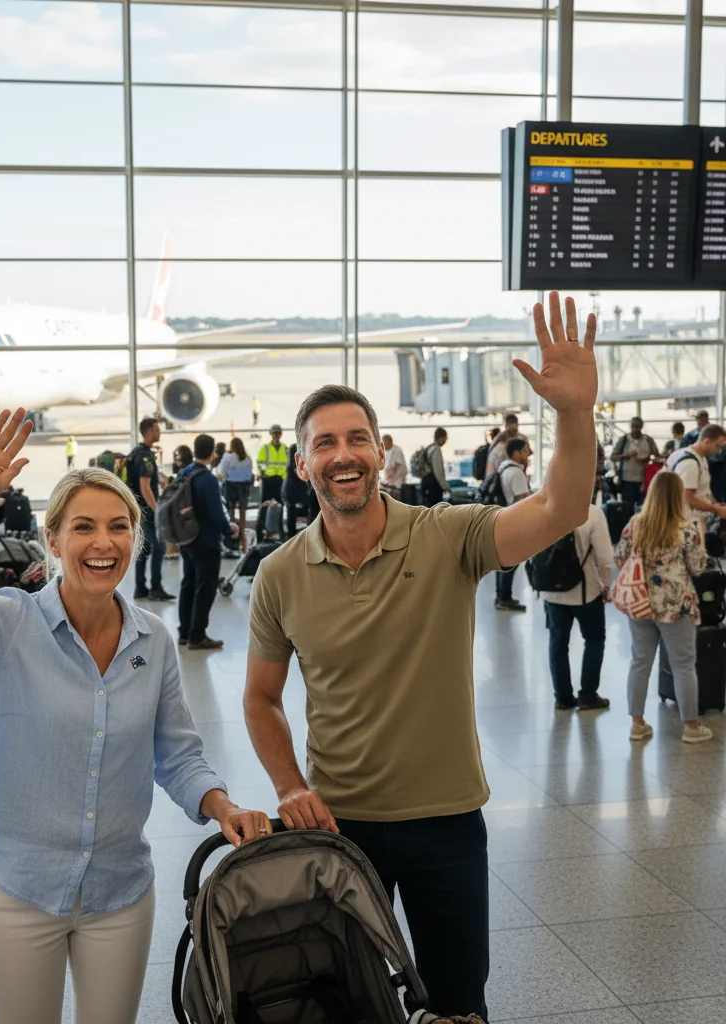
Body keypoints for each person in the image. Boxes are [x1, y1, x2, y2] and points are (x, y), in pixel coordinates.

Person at [243, 293, 599, 1021]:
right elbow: (259, 697)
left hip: (445, 822)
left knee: (458, 1004)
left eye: (356, 439)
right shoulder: (279, 573)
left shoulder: (448, 537)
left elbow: (561, 508)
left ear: (380, 451)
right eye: (324, 442)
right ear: (304, 460)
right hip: (337, 829)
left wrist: (573, 413)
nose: (342, 455)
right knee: (345, 1000)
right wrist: (286, 787)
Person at [0, 411, 269, 1024]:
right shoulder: (9, 622)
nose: (104, 542)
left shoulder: (152, 639)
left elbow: (177, 754)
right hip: (18, 888)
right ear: (54, 540)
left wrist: (223, 807)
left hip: (119, 893)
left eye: (119, 527)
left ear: (137, 539)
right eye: (84, 527)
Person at [614, 471, 714, 745]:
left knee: (640, 663)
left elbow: (619, 557)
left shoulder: (636, 524)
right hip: (676, 606)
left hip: (641, 602)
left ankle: (637, 724)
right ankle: (691, 727)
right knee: (683, 666)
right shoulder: (685, 528)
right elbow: (698, 567)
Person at [541, 504, 613, 711]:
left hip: (552, 591)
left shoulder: (544, 510)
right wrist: (605, 585)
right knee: (594, 638)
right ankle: (588, 695)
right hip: (585, 591)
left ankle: (562, 697)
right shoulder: (592, 513)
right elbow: (604, 557)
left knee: (557, 642)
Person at [177, 434, 239, 651]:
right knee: (205, 588)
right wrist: (229, 529)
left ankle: (184, 632)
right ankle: (197, 635)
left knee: (189, 583)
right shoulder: (208, 479)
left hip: (187, 539)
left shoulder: (184, 473)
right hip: (206, 542)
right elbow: (216, 512)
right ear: (212, 453)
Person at [125, 417, 174, 601]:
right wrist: (157, 511)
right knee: (159, 546)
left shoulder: (137, 453)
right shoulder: (145, 457)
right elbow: (145, 487)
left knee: (143, 549)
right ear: (148, 432)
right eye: (156, 429)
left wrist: (161, 478)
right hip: (147, 510)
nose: (159, 432)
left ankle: (140, 588)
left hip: (138, 509)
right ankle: (155, 587)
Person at [666, 424, 726, 537]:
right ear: (706, 441)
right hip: (688, 523)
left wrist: (715, 503)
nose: (719, 451)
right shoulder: (690, 464)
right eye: (717, 446)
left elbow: (704, 489)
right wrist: (716, 509)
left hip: (693, 521)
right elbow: (688, 498)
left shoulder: (697, 457)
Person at [494, 437, 533, 611]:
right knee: (510, 562)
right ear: (516, 453)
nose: (528, 454)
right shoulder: (516, 473)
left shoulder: (504, 467)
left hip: (501, 519)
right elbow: (522, 500)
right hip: (513, 523)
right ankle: (505, 599)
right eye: (525, 451)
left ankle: (501, 596)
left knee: (502, 562)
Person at [217, 437, 254, 554]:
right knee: (243, 516)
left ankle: (233, 542)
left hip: (231, 487)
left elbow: (221, 474)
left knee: (231, 515)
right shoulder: (247, 458)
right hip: (244, 488)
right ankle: (244, 544)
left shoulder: (228, 457)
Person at [610, 417, 658, 507]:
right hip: (627, 481)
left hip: (644, 481)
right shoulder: (624, 440)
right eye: (633, 426)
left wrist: (647, 458)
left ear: (641, 427)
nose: (635, 429)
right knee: (628, 508)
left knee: (644, 507)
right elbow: (613, 457)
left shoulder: (648, 440)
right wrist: (626, 455)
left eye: (637, 426)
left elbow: (657, 456)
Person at [283, 442, 314, 539]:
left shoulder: (290, 464)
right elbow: (301, 474)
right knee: (310, 511)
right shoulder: (295, 464)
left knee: (291, 516)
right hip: (296, 494)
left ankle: (291, 536)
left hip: (290, 493)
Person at [256, 425, 289, 504]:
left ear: (281, 434)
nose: (276, 435)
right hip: (268, 479)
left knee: (280, 503)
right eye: (274, 433)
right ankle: (264, 516)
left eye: (278, 433)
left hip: (281, 479)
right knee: (265, 503)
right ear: (271, 434)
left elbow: (288, 464)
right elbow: (260, 462)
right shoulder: (265, 448)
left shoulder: (285, 448)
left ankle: (279, 516)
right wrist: (263, 473)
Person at [420, 427, 448, 507]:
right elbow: (438, 471)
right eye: (445, 438)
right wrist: (445, 486)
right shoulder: (436, 450)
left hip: (425, 482)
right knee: (435, 509)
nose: (445, 441)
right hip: (433, 485)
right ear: (442, 438)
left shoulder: (429, 448)